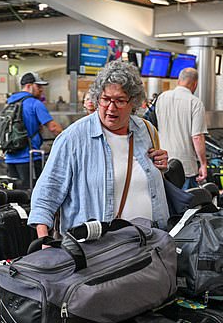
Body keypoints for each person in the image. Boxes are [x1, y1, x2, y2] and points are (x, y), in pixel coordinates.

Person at [28, 60, 170, 237]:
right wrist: (45, 242)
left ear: (133, 102)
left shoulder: (146, 130)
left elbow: (146, 179)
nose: (111, 108)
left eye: (119, 100)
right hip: (97, 253)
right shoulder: (73, 138)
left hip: (150, 245)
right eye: (105, 99)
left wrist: (160, 168)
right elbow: (45, 196)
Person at [4, 72, 63, 185]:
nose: (41, 89)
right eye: (38, 86)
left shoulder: (10, 102)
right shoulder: (35, 103)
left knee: (16, 193)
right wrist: (70, 139)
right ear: (29, 86)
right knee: (32, 193)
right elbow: (53, 128)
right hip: (29, 157)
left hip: (10, 157)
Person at [154, 67, 207, 189]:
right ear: (195, 84)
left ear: (178, 81)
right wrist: (203, 164)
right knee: (187, 206)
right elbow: (197, 137)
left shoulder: (161, 98)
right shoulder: (195, 103)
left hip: (163, 163)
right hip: (185, 168)